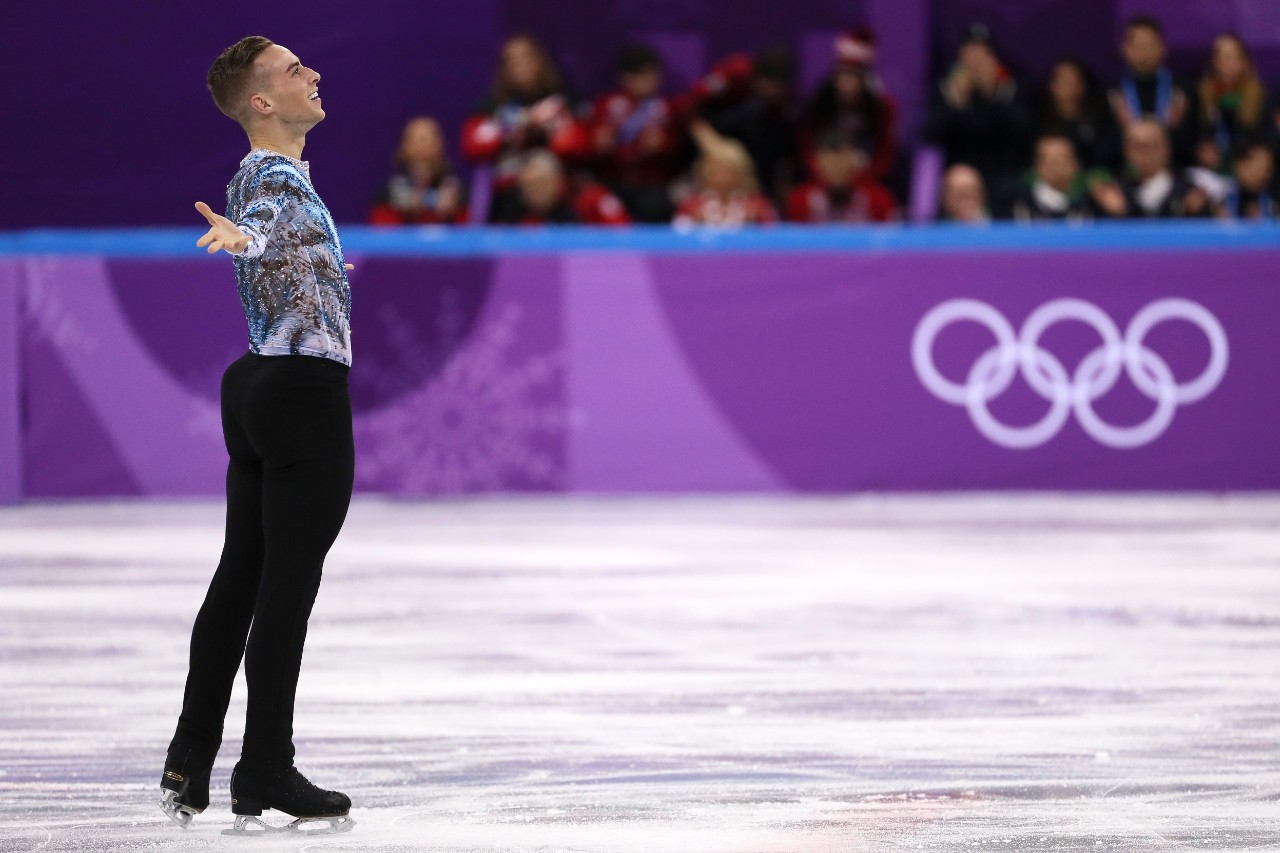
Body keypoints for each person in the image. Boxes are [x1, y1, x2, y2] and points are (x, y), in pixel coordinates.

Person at [159, 35, 355, 835]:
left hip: (258, 384)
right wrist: (248, 240)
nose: (314, 73)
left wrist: (287, 255)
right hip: (301, 391)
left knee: (242, 576)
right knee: (285, 588)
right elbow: (262, 228)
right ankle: (266, 764)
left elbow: (269, 233)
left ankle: (190, 756)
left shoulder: (259, 172)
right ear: (262, 102)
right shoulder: (272, 178)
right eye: (294, 70)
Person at [461, 34, 591, 188]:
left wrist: (549, 128)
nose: (520, 66)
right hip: (510, 191)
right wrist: (517, 127)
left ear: (540, 61)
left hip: (560, 188)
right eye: (512, 62)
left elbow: (584, 143)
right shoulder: (491, 107)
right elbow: (473, 145)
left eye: (526, 58)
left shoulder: (566, 100)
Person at [924, 24, 1030, 210]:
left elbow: (1023, 133)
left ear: (994, 59)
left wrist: (993, 95)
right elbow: (932, 135)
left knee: (1010, 189)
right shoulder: (947, 88)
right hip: (958, 170)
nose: (976, 61)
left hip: (1000, 170)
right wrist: (956, 102)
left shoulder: (1010, 86)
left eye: (982, 54)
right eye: (970, 53)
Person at [588, 44, 683, 222]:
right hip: (613, 181)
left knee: (658, 204)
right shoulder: (606, 106)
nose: (648, 80)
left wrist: (664, 145)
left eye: (652, 74)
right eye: (640, 74)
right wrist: (597, 144)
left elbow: (680, 151)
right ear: (625, 77)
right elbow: (588, 146)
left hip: (653, 185)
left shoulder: (667, 108)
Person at [800, 27, 898, 185]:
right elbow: (807, 148)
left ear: (865, 79)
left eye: (853, 76)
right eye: (842, 74)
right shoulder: (819, 103)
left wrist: (861, 178)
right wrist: (824, 171)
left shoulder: (882, 108)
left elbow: (884, 155)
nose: (846, 83)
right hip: (823, 179)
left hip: (866, 180)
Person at [1108, 15, 1196, 165]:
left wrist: (1175, 130)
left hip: (1175, 170)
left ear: (1162, 47)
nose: (1143, 53)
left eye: (1149, 45)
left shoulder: (1182, 89)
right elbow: (1103, 147)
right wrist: (1123, 131)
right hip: (1124, 171)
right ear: (1124, 49)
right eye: (1137, 46)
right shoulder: (1111, 92)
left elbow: (1194, 143)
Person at [1089, 118, 1210, 218]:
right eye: (1136, 145)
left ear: (1167, 148)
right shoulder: (1112, 192)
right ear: (1125, 150)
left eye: (1150, 145)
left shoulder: (1189, 192)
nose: (1143, 152)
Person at [1196, 33, 1275, 175]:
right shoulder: (1202, 95)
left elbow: (1269, 141)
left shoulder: (1262, 97)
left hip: (1250, 170)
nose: (1224, 63)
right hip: (1211, 172)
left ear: (1245, 61)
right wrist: (1201, 151)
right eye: (1219, 57)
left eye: (1230, 57)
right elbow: (1196, 137)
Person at [674, 121, 779, 227]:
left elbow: (774, 230)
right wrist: (694, 220)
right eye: (715, 168)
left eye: (726, 168)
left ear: (740, 171)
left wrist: (756, 219)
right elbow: (677, 232)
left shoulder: (758, 204)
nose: (720, 174)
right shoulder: (691, 205)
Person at [488, 149, 631, 225]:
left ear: (557, 181)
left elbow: (623, 237)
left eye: (541, 183)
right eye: (529, 186)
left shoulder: (587, 202)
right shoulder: (512, 216)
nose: (535, 190)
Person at [370, 116, 468, 224]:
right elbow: (379, 231)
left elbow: (473, 230)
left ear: (440, 145)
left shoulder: (457, 193)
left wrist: (451, 215)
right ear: (404, 148)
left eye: (428, 140)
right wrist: (406, 214)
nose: (422, 147)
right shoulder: (388, 193)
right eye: (415, 140)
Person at [786, 131, 897, 223]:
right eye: (830, 163)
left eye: (841, 162)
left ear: (855, 162)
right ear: (817, 164)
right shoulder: (800, 201)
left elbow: (890, 238)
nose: (836, 169)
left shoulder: (879, 199)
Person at [1036, 59, 1122, 172]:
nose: (1068, 86)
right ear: (1051, 85)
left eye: (1073, 81)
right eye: (1063, 81)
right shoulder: (1039, 119)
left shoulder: (1100, 119)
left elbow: (1109, 156)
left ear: (1083, 85)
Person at [1011, 135, 1096, 222]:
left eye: (1063, 159)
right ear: (1036, 166)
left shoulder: (1091, 203)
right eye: (1051, 160)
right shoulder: (1020, 204)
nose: (1057, 167)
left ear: (1076, 164)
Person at [1220, 140, 1278, 219]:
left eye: (1268, 168)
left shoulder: (1272, 201)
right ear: (1239, 165)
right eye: (1258, 167)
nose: (1264, 173)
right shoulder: (1226, 196)